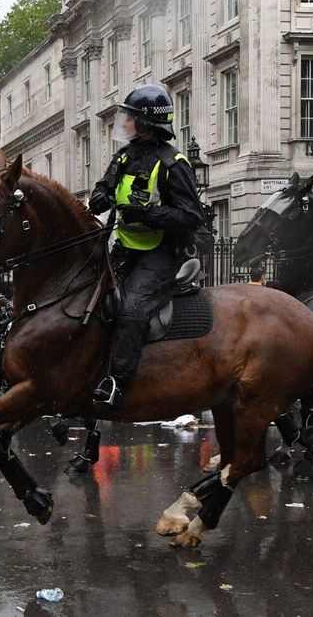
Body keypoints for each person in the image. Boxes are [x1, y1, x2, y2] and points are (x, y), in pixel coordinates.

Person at [88, 84, 205, 410]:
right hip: (124, 248)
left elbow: (193, 215)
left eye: (130, 118)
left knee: (132, 308)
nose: (124, 124)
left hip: (161, 253)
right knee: (91, 301)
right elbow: (105, 184)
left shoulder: (173, 163)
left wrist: (150, 214)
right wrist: (99, 196)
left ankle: (117, 382)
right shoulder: (125, 155)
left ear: (147, 122)